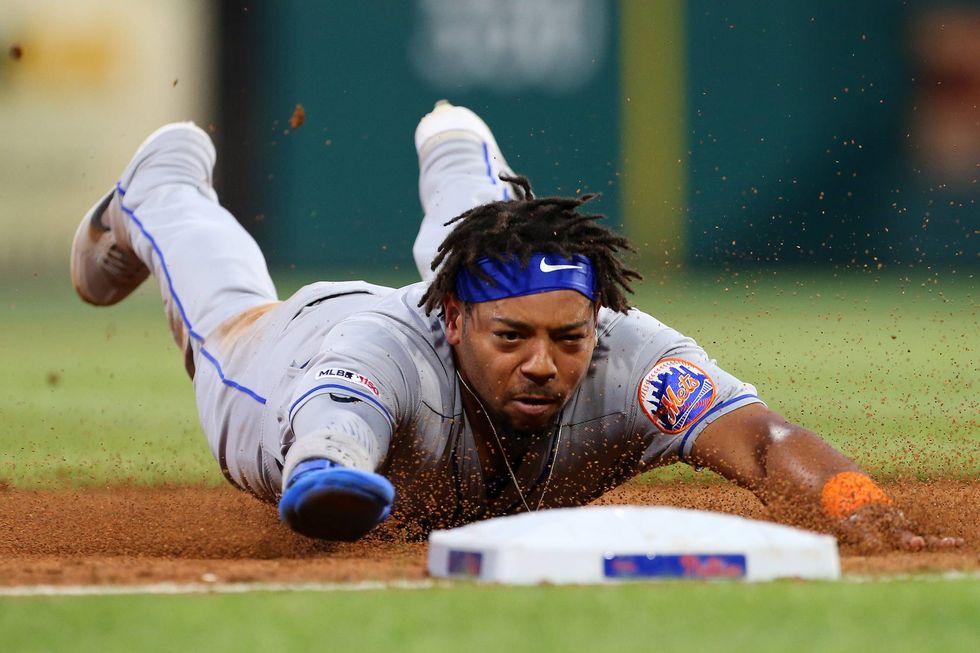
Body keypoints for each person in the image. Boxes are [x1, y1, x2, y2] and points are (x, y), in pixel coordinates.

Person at [71, 101, 960, 551]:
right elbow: (333, 433)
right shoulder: (380, 354)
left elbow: (763, 443)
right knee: (229, 314)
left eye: (568, 338)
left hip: (463, 306)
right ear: (452, 318)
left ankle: (459, 154)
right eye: (514, 340)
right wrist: (330, 479)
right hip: (293, 355)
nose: (544, 362)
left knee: (501, 247)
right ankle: (166, 185)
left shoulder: (628, 356)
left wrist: (857, 504)